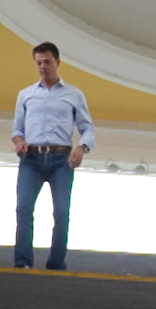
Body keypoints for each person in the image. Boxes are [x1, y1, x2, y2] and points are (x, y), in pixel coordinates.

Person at [11, 41, 94, 270]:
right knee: (24, 208)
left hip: (61, 159)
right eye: (38, 62)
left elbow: (87, 128)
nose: (42, 67)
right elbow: (17, 129)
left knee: (61, 211)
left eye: (47, 62)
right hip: (32, 158)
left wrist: (81, 147)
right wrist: (19, 142)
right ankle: (23, 261)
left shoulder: (73, 94)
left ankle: (56, 263)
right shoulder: (26, 95)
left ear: (57, 62)